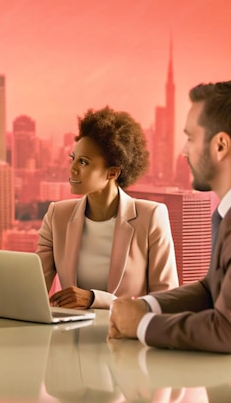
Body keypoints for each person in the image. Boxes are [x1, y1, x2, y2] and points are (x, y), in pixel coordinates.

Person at [109, 80, 231, 394]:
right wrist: (147, 306)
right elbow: (214, 288)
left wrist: (139, 326)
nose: (184, 151)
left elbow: (229, 331)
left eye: (190, 138)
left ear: (220, 146)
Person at [37, 107, 178, 310]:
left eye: (84, 162)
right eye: (73, 158)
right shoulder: (57, 215)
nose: (72, 168)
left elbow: (167, 301)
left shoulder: (151, 217)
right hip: (69, 337)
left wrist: (96, 299)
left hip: (128, 337)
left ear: (112, 173)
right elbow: (35, 287)